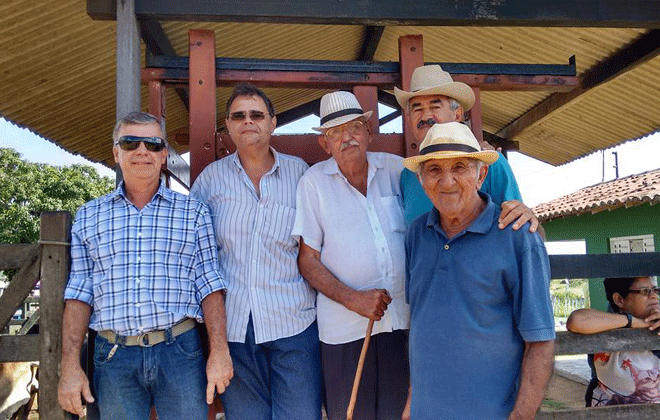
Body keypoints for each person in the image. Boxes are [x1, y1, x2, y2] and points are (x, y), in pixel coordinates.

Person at [57, 112, 233, 420]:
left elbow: (210, 283)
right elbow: (79, 294)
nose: (142, 151)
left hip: (179, 350)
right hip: (113, 355)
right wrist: (70, 365)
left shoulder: (194, 212)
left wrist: (219, 351)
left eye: (153, 144)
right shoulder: (89, 215)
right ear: (116, 152)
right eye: (130, 143)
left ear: (164, 154)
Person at [403, 122, 555, 419]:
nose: (447, 181)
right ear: (422, 180)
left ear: (481, 175)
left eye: (460, 167)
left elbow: (540, 340)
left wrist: (521, 416)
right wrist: (412, 400)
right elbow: (421, 322)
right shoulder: (416, 234)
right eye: (434, 170)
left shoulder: (518, 235)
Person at [190, 83, 322, 419]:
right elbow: (193, 254)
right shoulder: (210, 181)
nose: (248, 121)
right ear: (228, 125)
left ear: (273, 122)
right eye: (239, 115)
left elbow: (319, 243)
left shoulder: (301, 175)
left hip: (294, 323)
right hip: (233, 329)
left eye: (256, 114)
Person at [294, 91, 409, 420]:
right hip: (344, 333)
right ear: (324, 144)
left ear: (369, 132)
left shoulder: (398, 171)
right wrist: (353, 299)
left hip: (401, 324)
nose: (347, 138)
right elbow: (308, 260)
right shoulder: (313, 184)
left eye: (355, 127)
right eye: (334, 132)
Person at [394, 64, 538, 231]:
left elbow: (518, 224)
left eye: (435, 107)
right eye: (417, 109)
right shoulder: (407, 175)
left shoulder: (490, 163)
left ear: (457, 115)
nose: (425, 116)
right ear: (409, 119)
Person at [567, 276, 660, 406]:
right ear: (619, 299)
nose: (654, 296)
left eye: (655, 290)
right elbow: (576, 321)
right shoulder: (603, 326)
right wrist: (632, 322)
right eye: (645, 291)